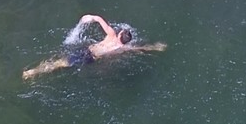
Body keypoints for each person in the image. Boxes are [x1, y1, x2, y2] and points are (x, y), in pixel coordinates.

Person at [23, 14, 166, 78]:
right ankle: (39, 72)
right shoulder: (123, 48)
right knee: (64, 65)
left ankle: (32, 73)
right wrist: (156, 47)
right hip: (92, 60)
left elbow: (99, 19)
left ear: (119, 33)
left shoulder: (111, 34)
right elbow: (140, 49)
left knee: (59, 62)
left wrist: (88, 17)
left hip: (86, 52)